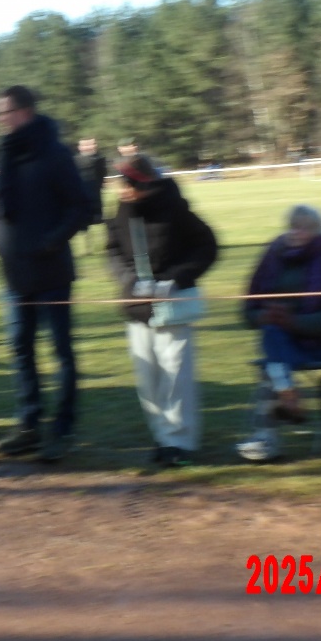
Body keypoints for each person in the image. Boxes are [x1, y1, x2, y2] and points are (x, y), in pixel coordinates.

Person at [0, 85, 89, 462]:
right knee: (20, 349)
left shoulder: (54, 153)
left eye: (3, 112)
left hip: (50, 272)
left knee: (61, 351)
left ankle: (61, 431)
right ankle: (28, 425)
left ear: (24, 112)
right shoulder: (7, 154)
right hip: (14, 275)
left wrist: (50, 241)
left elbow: (80, 208)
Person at [105, 154, 218, 467]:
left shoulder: (175, 208)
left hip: (173, 307)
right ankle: (161, 437)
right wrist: (128, 279)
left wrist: (174, 280)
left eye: (123, 183)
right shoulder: (121, 210)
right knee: (148, 379)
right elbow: (112, 249)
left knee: (175, 375)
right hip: (138, 307)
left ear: (139, 183)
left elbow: (207, 247)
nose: (118, 189)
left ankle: (179, 441)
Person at [235, 205, 321, 462]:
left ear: (318, 231)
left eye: (306, 227)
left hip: (319, 343)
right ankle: (286, 395)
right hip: (279, 338)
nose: (298, 232)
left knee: (273, 364)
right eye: (294, 226)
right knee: (272, 334)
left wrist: (295, 322)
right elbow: (246, 310)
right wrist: (264, 316)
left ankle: (271, 429)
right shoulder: (271, 257)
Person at [74, 137, 109, 254]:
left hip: (96, 194)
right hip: (80, 196)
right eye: (85, 145)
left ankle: (100, 248)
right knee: (82, 225)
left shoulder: (101, 159)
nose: (88, 147)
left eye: (91, 144)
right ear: (80, 147)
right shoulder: (74, 160)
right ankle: (85, 249)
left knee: (98, 222)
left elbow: (102, 175)